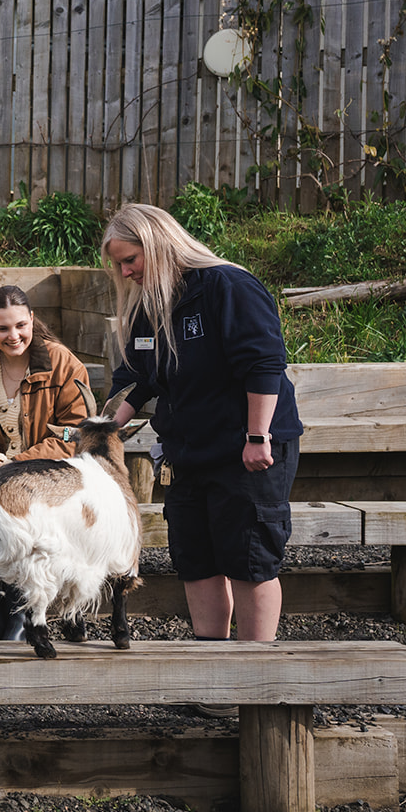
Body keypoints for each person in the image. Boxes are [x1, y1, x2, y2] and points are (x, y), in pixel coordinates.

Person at [102, 203, 302, 647]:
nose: (125, 271)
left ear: (158, 244)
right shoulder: (147, 306)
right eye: (118, 264)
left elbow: (263, 365)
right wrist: (101, 430)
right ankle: (212, 671)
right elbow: (136, 381)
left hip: (247, 449)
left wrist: (257, 436)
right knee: (196, 560)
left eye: (130, 259)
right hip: (188, 451)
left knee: (249, 560)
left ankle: (254, 676)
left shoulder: (227, 286)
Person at [0, 284, 94, 640]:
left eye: (21, 325)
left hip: (48, 475)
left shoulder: (63, 363)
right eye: (2, 328)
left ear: (33, 319)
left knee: (27, 521)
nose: (13, 335)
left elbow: (73, 435)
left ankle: (22, 612)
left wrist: (17, 463)